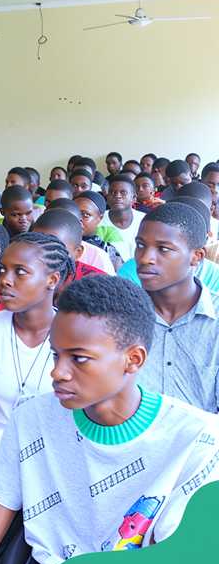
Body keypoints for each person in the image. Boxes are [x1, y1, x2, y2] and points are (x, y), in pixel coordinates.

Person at [0, 276, 219, 564]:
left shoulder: (197, 439)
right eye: (56, 354)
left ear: (133, 359)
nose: (58, 372)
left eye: (79, 358)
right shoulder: (31, 419)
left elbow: (174, 562)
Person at [0, 232, 72, 430]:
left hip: (52, 453)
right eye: (2, 270)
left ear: (52, 280)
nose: (5, 280)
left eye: (20, 272)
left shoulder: (74, 335)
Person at [133, 202, 219, 412]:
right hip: (132, 441)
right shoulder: (120, 315)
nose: (145, 258)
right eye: (141, 245)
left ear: (196, 257)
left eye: (163, 249)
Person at [31, 208, 106, 282]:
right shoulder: (23, 269)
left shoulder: (96, 283)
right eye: (36, 244)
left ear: (78, 253)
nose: (44, 253)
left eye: (56, 248)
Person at [76, 191, 124, 270]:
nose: (78, 219)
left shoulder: (109, 253)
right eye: (74, 213)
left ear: (100, 218)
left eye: (85, 215)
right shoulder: (61, 242)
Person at [104, 174, 144, 260]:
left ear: (134, 198)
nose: (118, 196)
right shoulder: (98, 221)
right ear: (107, 197)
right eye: (113, 192)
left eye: (123, 193)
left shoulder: (144, 221)